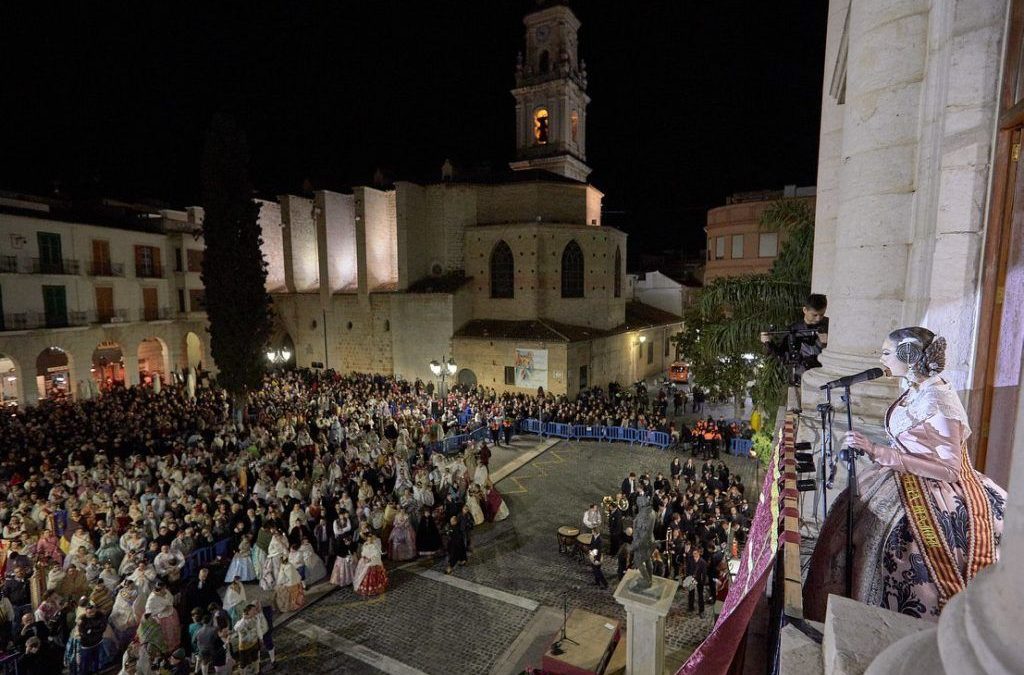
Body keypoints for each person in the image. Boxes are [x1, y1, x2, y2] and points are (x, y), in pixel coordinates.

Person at [805, 327, 1006, 621]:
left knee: (901, 556)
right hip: (899, 476)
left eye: (887, 353)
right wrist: (870, 447)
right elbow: (914, 440)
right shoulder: (916, 389)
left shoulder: (937, 401)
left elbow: (951, 470)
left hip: (940, 493)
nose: (881, 357)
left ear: (909, 356)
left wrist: (879, 452)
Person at [685, 548, 707, 617]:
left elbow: (704, 573)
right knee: (691, 593)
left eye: (695, 553)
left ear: (698, 553)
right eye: (693, 553)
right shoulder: (690, 560)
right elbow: (687, 569)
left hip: (699, 580)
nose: (694, 555)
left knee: (700, 595)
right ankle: (691, 607)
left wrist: (703, 581)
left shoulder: (702, 562)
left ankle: (701, 610)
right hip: (692, 579)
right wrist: (688, 577)